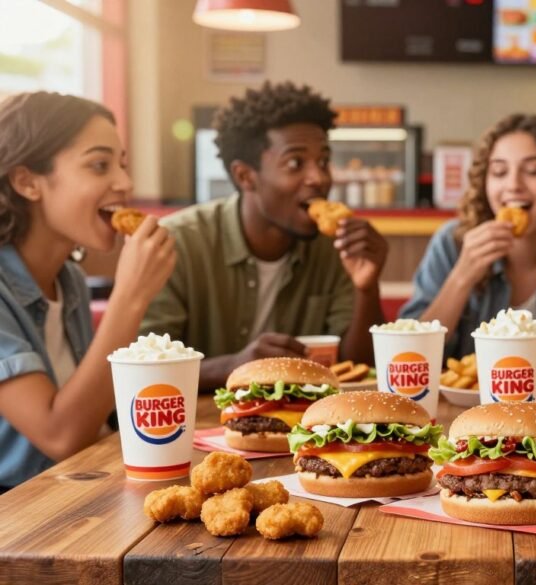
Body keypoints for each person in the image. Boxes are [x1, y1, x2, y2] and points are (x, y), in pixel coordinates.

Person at [140, 82, 387, 390]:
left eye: (323, 161)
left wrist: (367, 288)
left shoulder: (338, 247)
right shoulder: (176, 244)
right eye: (295, 163)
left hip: (305, 417)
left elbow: (358, 368)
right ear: (245, 176)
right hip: (197, 417)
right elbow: (143, 368)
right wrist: (234, 367)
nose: (319, 178)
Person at [0, 92, 176, 489]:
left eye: (122, 164)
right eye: (99, 165)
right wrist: (130, 297)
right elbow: (62, 437)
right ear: (27, 182)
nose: (125, 183)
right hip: (19, 512)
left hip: (82, 490)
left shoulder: (70, 281)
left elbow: (96, 420)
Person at [400, 114, 536, 364]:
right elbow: (410, 356)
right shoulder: (452, 242)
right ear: (484, 183)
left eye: (533, 171)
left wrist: (502, 367)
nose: (513, 185)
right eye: (499, 171)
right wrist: (462, 276)